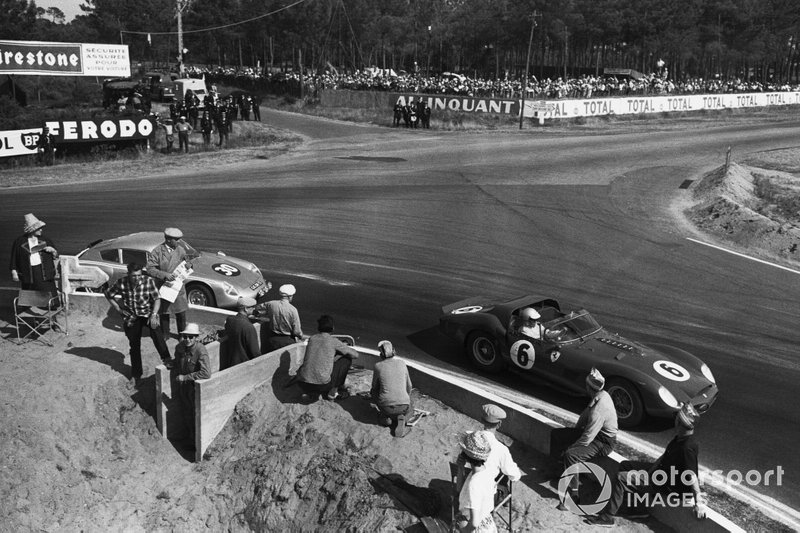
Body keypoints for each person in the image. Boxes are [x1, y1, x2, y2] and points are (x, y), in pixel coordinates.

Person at [587, 403, 706, 527]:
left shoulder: (687, 447)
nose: (675, 421)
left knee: (621, 478)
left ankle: (607, 518)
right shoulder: (680, 438)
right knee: (625, 465)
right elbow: (665, 456)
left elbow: (692, 475)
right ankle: (637, 509)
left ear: (680, 423)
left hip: (665, 484)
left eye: (677, 419)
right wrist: (650, 470)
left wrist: (699, 502)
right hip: (660, 472)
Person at [553, 368, 618, 507]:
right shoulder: (600, 394)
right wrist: (573, 432)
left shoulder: (598, 410)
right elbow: (584, 415)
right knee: (558, 435)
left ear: (589, 387)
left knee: (571, 455)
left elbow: (588, 437)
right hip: (595, 435)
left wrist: (573, 446)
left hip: (603, 441)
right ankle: (562, 471)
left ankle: (574, 496)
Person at [104, 262, 172, 381]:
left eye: (139, 275)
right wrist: (119, 309)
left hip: (147, 314)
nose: (137, 278)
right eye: (134, 276)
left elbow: (157, 299)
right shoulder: (121, 283)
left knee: (157, 333)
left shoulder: (148, 281)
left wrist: (154, 314)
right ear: (128, 274)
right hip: (132, 316)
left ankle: (166, 359)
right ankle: (136, 374)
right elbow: (108, 294)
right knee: (134, 345)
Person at [145, 227, 197, 339]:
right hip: (165, 286)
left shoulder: (181, 249)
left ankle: (182, 335)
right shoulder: (157, 251)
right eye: (176, 239)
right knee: (165, 312)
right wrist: (164, 275)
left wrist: (189, 265)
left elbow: (186, 261)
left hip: (178, 288)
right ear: (168, 239)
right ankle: (165, 334)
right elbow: (149, 269)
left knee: (181, 313)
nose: (179, 241)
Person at [296, 314, 358, 401]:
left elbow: (321, 353)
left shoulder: (312, 339)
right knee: (347, 360)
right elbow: (355, 355)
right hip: (321, 385)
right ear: (332, 328)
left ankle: (309, 393)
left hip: (303, 383)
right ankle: (332, 394)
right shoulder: (333, 341)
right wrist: (342, 349)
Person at [173, 323, 211, 446]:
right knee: (187, 413)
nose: (188, 340)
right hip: (184, 387)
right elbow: (177, 362)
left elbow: (206, 373)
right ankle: (190, 438)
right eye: (186, 337)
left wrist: (186, 377)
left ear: (196, 338)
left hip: (194, 388)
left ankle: (196, 442)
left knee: (195, 414)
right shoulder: (180, 347)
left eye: (191, 337)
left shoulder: (200, 350)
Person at [456, 430, 498, 533]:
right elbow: (459, 490)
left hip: (477, 528)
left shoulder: (474, 483)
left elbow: (474, 523)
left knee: (456, 523)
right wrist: (460, 468)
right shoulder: (487, 471)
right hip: (487, 522)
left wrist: (464, 530)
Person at [371, 340, 413, 437]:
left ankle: (386, 419)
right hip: (403, 406)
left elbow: (374, 387)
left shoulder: (378, 366)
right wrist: (406, 399)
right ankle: (404, 419)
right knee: (411, 409)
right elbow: (409, 386)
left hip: (386, 407)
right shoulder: (402, 363)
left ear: (381, 354)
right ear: (394, 351)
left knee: (373, 392)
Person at [10, 213, 59, 292]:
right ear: (33, 229)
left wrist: (53, 250)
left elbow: (56, 256)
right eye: (39, 228)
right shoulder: (19, 241)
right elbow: (14, 257)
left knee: (46, 292)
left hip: (44, 272)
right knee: (30, 293)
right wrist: (14, 272)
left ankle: (48, 304)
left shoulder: (46, 240)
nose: (41, 230)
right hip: (28, 272)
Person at [479, 404, 523, 484]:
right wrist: (517, 474)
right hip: (486, 488)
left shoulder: (470, 437)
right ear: (499, 424)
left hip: (468, 484)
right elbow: (513, 474)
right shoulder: (501, 449)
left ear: (482, 420)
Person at [257, 284, 303, 353]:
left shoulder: (271, 304)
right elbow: (296, 332)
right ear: (290, 296)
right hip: (287, 341)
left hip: (273, 339)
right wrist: (301, 335)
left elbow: (258, 308)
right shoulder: (293, 310)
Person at [219, 296, 260, 370]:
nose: (254, 308)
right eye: (252, 307)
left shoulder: (230, 320)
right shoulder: (248, 327)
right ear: (246, 309)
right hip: (244, 365)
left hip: (232, 362)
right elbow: (255, 352)